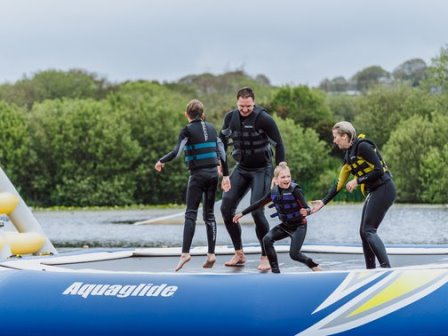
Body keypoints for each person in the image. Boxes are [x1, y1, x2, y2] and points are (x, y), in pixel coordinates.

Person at [155, 99, 230, 272]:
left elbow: (176, 152)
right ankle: (211, 254)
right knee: (209, 215)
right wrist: (225, 175)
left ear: (186, 114)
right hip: (213, 175)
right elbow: (223, 155)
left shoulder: (186, 130)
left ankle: (185, 254)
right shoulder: (212, 129)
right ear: (203, 114)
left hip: (197, 176)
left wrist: (161, 161)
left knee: (190, 214)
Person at [311, 121, 396, 269]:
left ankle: (386, 269)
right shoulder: (348, 157)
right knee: (364, 232)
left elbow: (379, 170)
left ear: (344, 136)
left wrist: (358, 180)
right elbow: (339, 184)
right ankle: (370, 270)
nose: (334, 140)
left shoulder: (363, 146)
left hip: (385, 188)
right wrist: (323, 202)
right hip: (374, 191)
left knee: (368, 230)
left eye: (335, 136)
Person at [219, 87, 285, 271]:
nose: (245, 109)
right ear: (237, 103)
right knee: (226, 208)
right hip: (242, 168)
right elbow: (221, 143)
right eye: (241, 106)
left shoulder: (264, 118)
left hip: (262, 169)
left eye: (248, 106)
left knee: (257, 211)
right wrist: (223, 170)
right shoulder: (230, 118)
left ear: (253, 103)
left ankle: (265, 255)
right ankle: (239, 253)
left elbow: (279, 144)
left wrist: (280, 169)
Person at [232, 162, 321, 273]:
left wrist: (306, 211)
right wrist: (242, 213)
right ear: (276, 179)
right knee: (267, 239)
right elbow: (258, 203)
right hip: (285, 226)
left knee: (294, 254)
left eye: (288, 176)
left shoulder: (295, 190)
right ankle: (275, 271)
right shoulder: (273, 192)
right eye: (283, 177)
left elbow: (307, 207)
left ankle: (314, 266)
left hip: (299, 226)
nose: (286, 179)